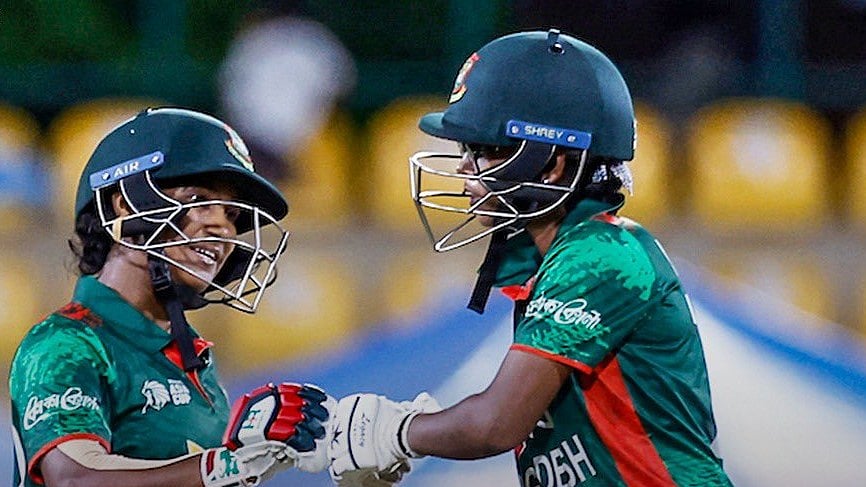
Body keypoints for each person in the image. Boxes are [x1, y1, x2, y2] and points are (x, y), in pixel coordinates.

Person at [326, 29, 733, 486]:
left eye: (488, 149)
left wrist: (393, 434)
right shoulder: (556, 259)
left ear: (553, 163)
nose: (464, 165)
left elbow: (495, 425)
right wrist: (419, 431)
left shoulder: (600, 256)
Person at [8, 107, 333, 487]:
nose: (224, 228)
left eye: (231, 214)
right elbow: (77, 478)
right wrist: (227, 465)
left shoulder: (193, 361)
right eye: (199, 199)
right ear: (126, 206)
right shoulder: (66, 344)